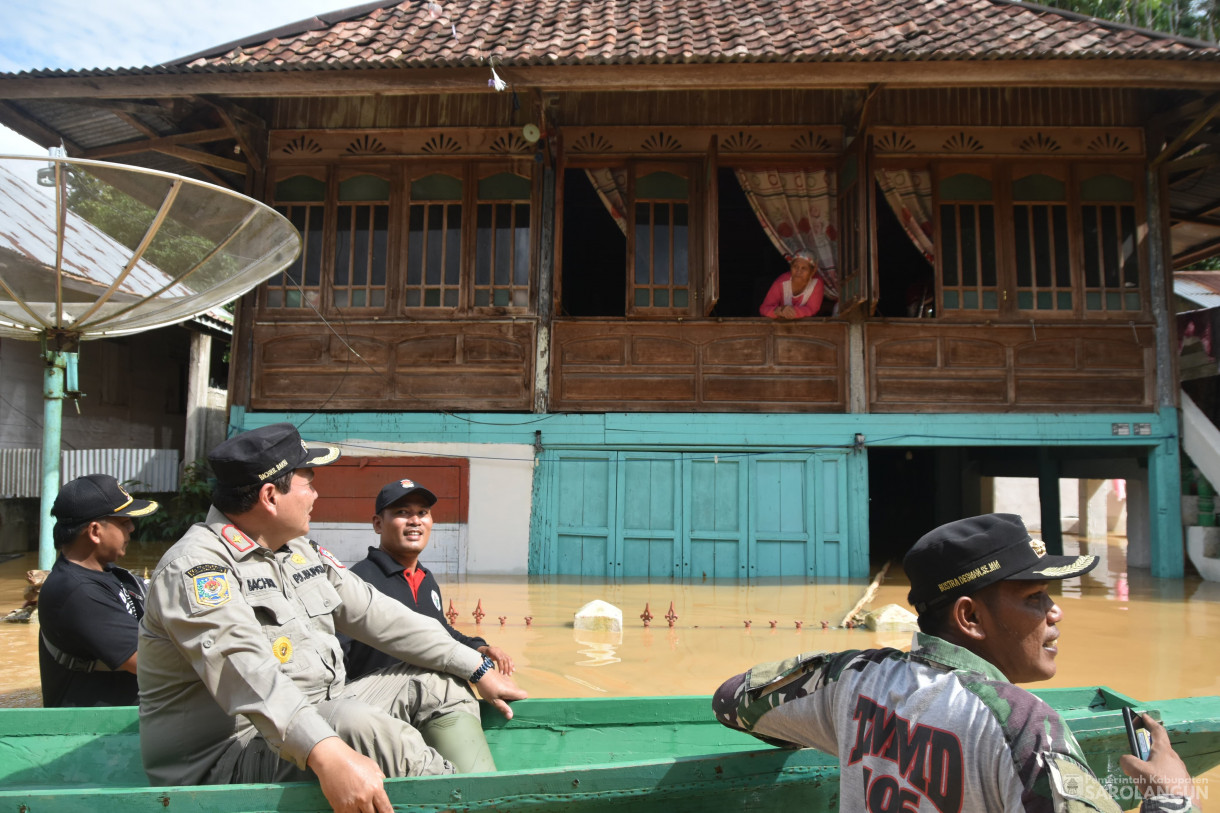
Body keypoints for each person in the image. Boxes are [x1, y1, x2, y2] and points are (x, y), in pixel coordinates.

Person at [138, 423, 526, 813]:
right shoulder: (197, 569)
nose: (316, 495)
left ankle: (480, 795)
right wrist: (328, 752)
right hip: (227, 758)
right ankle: (465, 803)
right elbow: (248, 674)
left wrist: (477, 666)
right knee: (355, 722)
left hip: (320, 712)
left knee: (440, 683)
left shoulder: (297, 551)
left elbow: (381, 616)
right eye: (309, 483)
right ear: (270, 496)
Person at [712, 513, 1199, 812]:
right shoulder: (1026, 726)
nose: (1057, 612)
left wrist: (829, 732)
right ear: (970, 617)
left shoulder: (852, 679)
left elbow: (732, 700)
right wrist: (1173, 797)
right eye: (1035, 596)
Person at [344, 478, 514, 682]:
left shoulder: (426, 580)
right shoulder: (356, 582)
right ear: (378, 524)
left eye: (422, 513)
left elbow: (440, 631)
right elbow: (335, 653)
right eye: (402, 512)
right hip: (376, 702)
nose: (415, 521)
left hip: (425, 699)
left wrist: (480, 647)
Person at [38, 473, 159, 707]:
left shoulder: (110, 574)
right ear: (95, 531)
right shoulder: (78, 592)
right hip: (96, 730)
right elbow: (153, 663)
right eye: (124, 522)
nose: (132, 528)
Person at [759, 249, 824, 320]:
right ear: (790, 267)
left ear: (813, 271)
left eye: (804, 268)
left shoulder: (816, 283)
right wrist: (778, 311)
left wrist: (793, 311)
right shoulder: (781, 282)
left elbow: (812, 309)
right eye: (795, 267)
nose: (798, 271)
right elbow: (764, 309)